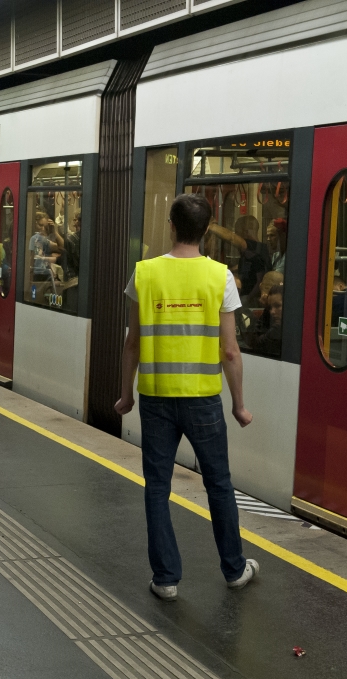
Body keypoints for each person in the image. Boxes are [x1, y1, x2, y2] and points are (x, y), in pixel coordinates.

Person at [114, 192, 258, 601]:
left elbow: (132, 345)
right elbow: (229, 350)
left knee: (157, 487)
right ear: (208, 230)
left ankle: (166, 579)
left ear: (172, 227)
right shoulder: (220, 277)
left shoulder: (144, 274)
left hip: (157, 397)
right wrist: (239, 405)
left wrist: (126, 396)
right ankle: (234, 569)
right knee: (219, 484)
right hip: (203, 400)